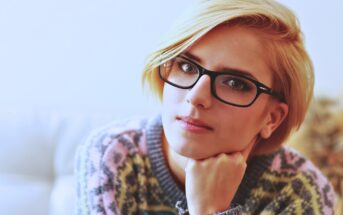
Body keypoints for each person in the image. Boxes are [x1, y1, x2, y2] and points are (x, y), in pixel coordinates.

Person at [75, 0, 336, 214]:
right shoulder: (112, 157)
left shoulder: (300, 191)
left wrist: (208, 209)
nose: (196, 96)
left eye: (235, 82)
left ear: (272, 118)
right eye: (187, 67)